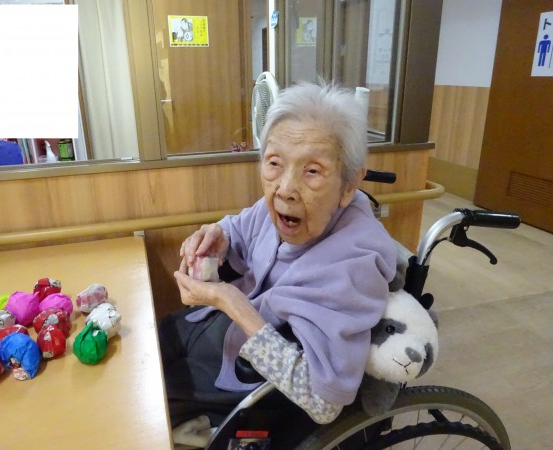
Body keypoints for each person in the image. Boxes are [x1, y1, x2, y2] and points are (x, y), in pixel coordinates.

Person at [159, 81, 397, 433]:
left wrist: (232, 303)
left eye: (312, 171)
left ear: (349, 185)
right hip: (220, 325)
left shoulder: (355, 263)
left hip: (258, 375)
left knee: (151, 400)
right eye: (274, 163)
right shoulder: (283, 208)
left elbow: (324, 403)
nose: (285, 189)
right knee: (146, 347)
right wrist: (219, 234)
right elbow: (242, 226)